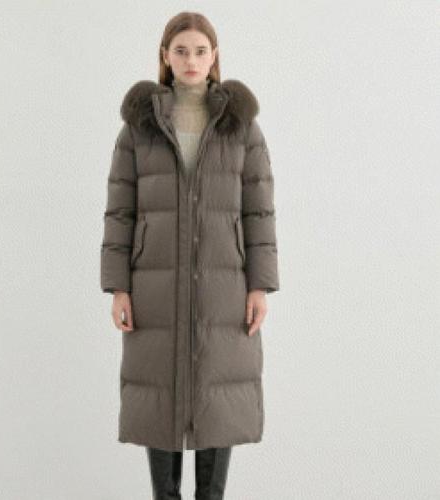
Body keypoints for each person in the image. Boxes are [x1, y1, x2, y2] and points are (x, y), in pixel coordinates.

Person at [100, 11, 279, 500]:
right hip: (153, 286)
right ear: (165, 56)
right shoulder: (138, 127)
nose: (191, 60)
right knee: (158, 392)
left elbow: (259, 210)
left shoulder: (241, 126)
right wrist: (118, 286)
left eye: (200, 51)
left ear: (214, 55)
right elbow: (120, 211)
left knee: (219, 393)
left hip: (226, 285)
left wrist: (260, 285)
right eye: (181, 51)